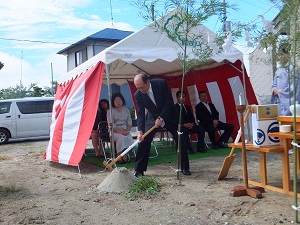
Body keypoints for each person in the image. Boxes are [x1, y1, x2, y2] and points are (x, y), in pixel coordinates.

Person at [133, 74, 191, 177]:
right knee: (143, 140)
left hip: (169, 114)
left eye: (141, 87)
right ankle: (139, 170)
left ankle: (184, 167)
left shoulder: (160, 83)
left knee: (180, 137)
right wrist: (140, 132)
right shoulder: (138, 95)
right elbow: (141, 114)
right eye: (137, 88)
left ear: (148, 82)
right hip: (152, 117)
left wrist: (161, 118)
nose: (140, 90)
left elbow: (169, 102)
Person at [271, 46, 300, 116]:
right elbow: (274, 84)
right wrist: (274, 89)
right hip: (279, 101)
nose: (280, 57)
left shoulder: (293, 69)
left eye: (282, 54)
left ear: (288, 55)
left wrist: (280, 92)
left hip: (289, 102)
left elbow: (294, 87)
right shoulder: (278, 70)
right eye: (279, 54)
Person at [107, 92, 134, 164]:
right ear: (113, 102)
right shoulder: (110, 111)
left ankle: (125, 155)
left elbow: (129, 122)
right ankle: (119, 156)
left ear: (122, 100)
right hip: (115, 131)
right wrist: (121, 132)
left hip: (125, 130)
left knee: (129, 138)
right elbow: (112, 124)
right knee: (121, 138)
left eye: (120, 100)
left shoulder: (126, 110)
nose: (118, 102)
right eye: (116, 100)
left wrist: (127, 130)